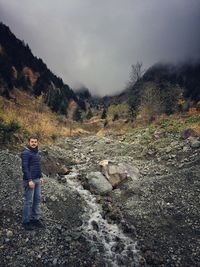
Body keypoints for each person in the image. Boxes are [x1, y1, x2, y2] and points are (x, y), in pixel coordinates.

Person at [21, 136, 45, 230]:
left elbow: (38, 166)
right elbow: (25, 167)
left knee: (37, 199)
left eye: (35, 142)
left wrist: (41, 176)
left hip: (37, 179)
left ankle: (35, 219)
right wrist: (29, 180)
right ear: (29, 142)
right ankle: (25, 222)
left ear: (37, 143)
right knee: (28, 201)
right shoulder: (26, 153)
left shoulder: (37, 152)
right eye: (32, 142)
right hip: (29, 180)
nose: (34, 143)